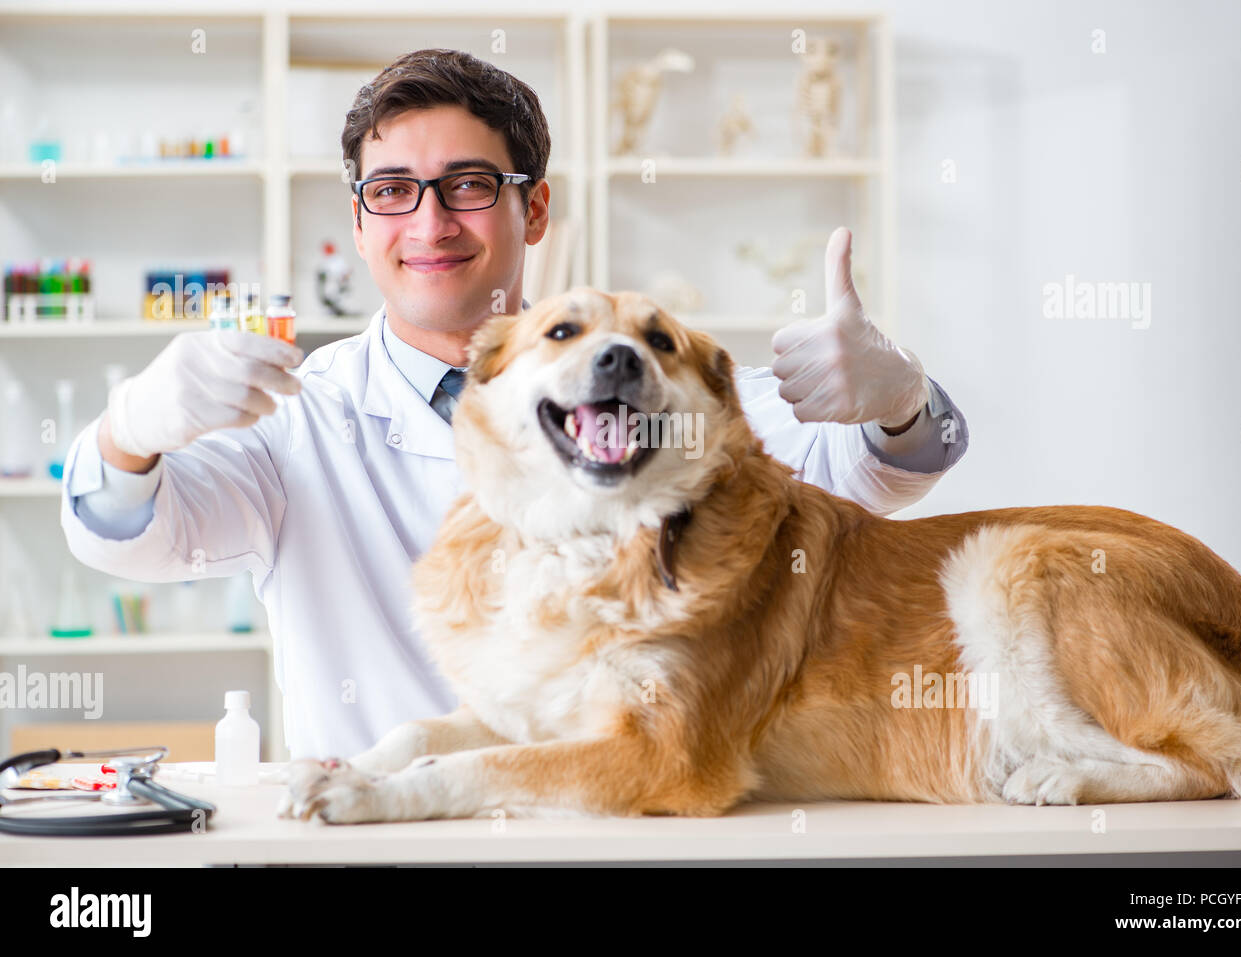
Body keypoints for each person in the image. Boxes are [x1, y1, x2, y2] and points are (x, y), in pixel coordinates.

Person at [61, 49, 969, 760]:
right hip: (375, 844)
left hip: (602, 821)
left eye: (467, 184)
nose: (429, 223)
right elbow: (125, 532)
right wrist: (132, 428)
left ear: (534, 210)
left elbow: (867, 469)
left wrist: (903, 397)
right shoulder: (303, 415)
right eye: (392, 192)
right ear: (359, 225)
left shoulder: (638, 372)